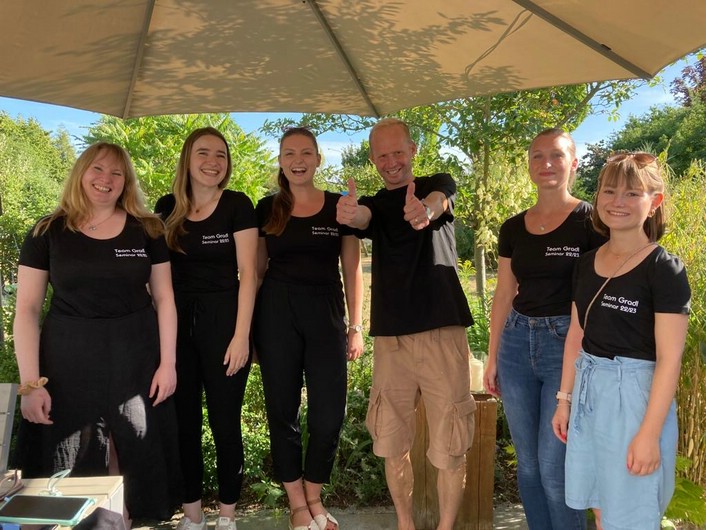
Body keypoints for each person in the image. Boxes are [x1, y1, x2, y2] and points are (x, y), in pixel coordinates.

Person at [13, 142, 180, 524]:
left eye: (116, 173)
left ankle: (123, 520)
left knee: (136, 447)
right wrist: (30, 383)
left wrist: (168, 364)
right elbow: (26, 311)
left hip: (137, 359)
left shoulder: (148, 229)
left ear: (126, 181)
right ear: (81, 173)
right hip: (68, 362)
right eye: (98, 169)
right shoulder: (46, 231)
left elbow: (165, 299)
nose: (106, 179)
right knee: (75, 455)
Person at [336, 117, 475, 530]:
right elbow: (363, 218)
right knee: (391, 441)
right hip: (391, 341)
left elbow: (439, 201)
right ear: (372, 158)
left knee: (451, 443)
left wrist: (424, 210)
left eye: (398, 152)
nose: (391, 162)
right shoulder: (377, 205)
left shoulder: (438, 182)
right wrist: (350, 213)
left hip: (441, 332)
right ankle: (404, 524)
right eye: (382, 155)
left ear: (413, 150)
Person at [552, 152, 690, 530]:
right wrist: (564, 400)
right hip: (589, 391)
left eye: (632, 193)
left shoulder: (664, 269)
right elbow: (577, 335)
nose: (618, 201)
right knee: (599, 505)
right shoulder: (586, 262)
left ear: (654, 202)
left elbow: (670, 360)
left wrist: (649, 435)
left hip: (634, 399)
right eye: (609, 190)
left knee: (631, 515)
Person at [482, 128, 604, 529]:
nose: (546, 163)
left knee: (555, 467)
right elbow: (504, 293)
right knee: (529, 466)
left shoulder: (592, 222)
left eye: (556, 155)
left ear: (574, 163)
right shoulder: (513, 228)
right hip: (516, 344)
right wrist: (493, 355)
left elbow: (597, 294)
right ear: (529, 165)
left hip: (565, 346)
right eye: (537, 156)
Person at [253, 127, 363, 530]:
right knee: (282, 411)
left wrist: (357, 325)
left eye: (305, 153)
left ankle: (314, 494)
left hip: (326, 312)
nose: (297, 160)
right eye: (289, 153)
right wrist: (248, 332)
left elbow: (352, 268)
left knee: (329, 414)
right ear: (281, 161)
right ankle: (298, 505)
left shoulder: (339, 206)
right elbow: (256, 272)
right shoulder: (266, 208)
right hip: (276, 314)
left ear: (318, 159)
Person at [155, 127, 258, 530]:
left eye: (221, 155)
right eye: (203, 153)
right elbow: (155, 275)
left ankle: (227, 515)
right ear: (187, 159)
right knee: (184, 424)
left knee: (225, 423)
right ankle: (193, 513)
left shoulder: (237, 205)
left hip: (225, 327)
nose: (213, 162)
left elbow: (249, 274)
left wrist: (241, 336)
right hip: (177, 329)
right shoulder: (167, 207)